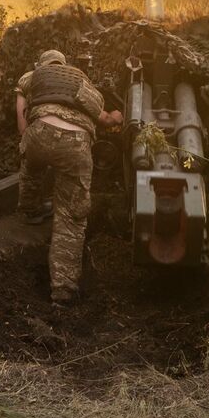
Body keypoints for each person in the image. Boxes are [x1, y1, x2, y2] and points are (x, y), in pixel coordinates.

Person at [15, 49, 122, 304]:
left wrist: (26, 138)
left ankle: (29, 210)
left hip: (38, 132)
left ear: (41, 63)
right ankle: (63, 290)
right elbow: (103, 118)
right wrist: (116, 117)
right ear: (64, 65)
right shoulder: (81, 80)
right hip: (75, 143)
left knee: (32, 167)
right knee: (71, 217)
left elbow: (21, 109)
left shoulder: (33, 75)